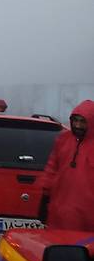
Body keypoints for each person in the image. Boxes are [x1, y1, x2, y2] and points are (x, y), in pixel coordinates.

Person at [39, 99, 94, 231]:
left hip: (88, 215)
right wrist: (45, 197)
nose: (78, 125)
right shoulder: (63, 140)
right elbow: (51, 169)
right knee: (58, 247)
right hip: (60, 211)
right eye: (75, 120)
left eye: (82, 121)